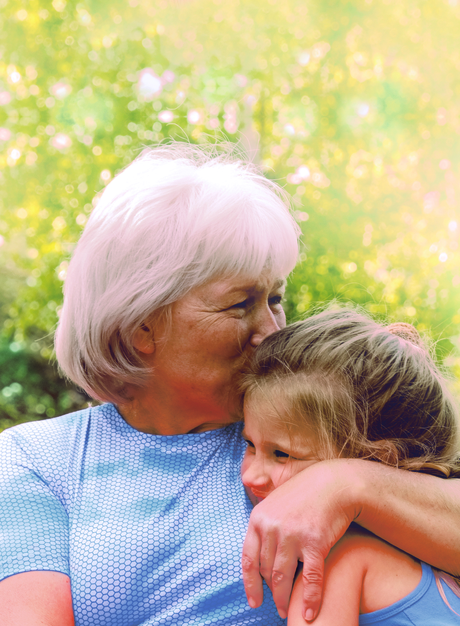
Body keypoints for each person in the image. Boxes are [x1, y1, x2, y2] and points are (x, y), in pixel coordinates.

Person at [0, 144, 459, 626]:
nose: (271, 330)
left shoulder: (317, 420)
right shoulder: (40, 459)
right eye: (241, 304)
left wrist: (347, 484)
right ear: (141, 326)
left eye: (275, 299)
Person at [240, 307, 460, 625]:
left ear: (378, 462)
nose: (250, 475)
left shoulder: (338, 562)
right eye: (250, 445)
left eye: (283, 454)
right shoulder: (438, 567)